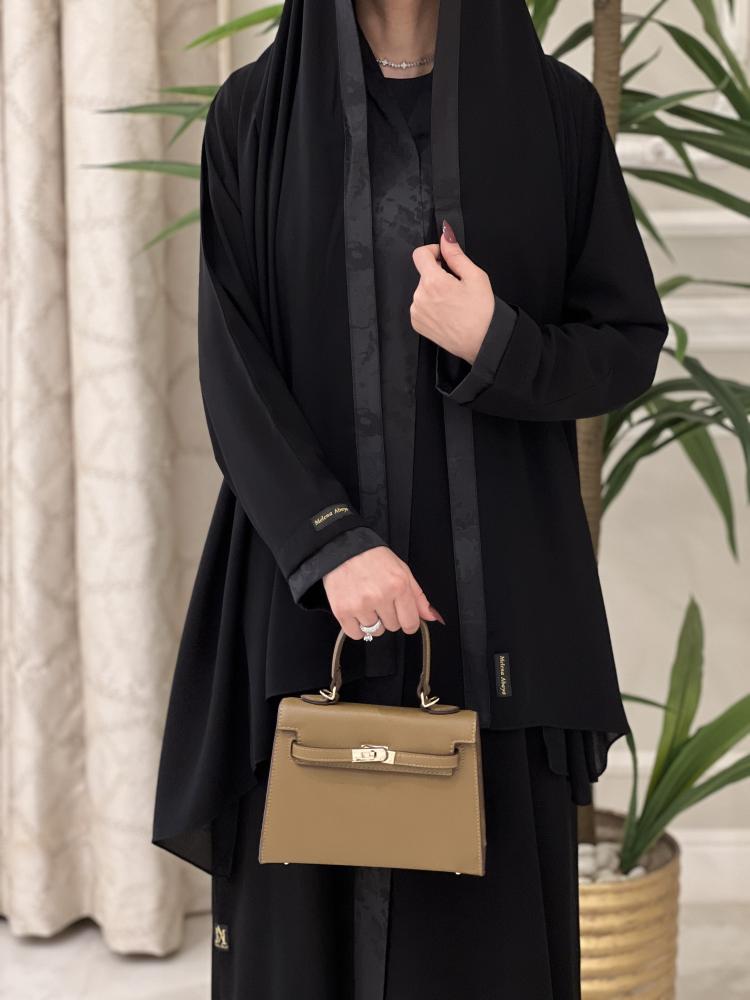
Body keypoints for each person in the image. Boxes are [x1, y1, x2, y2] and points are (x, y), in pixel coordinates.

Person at [152, 0, 669, 997]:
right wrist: (332, 546)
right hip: (308, 609)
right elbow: (233, 368)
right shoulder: (252, 117)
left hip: (496, 614)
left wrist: (498, 340)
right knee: (299, 943)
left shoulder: (556, 114)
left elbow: (625, 343)